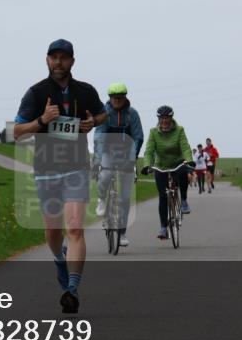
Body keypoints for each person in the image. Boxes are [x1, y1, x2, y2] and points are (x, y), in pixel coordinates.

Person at [14, 39, 106, 314]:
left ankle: (72, 289)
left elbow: (102, 114)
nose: (58, 62)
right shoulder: (36, 92)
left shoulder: (85, 91)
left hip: (77, 167)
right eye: (54, 57)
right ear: (46, 60)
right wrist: (42, 120)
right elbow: (18, 132)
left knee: (75, 228)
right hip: (47, 170)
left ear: (72, 62)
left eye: (64, 58)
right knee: (54, 230)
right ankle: (58, 258)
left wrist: (93, 123)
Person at [92, 82, 143, 248]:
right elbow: (99, 136)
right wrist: (97, 160)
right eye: (114, 98)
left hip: (126, 155)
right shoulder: (105, 113)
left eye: (120, 98)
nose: (116, 101)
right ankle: (101, 199)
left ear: (125, 97)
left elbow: (138, 137)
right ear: (109, 98)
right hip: (108, 153)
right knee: (105, 174)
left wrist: (131, 158)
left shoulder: (132, 114)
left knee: (126, 197)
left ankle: (122, 233)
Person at [141, 106, 193, 240]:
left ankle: (184, 201)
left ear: (171, 118)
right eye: (162, 118)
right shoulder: (153, 132)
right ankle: (163, 228)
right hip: (161, 167)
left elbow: (185, 146)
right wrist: (147, 165)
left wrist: (189, 160)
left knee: (183, 172)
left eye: (167, 118)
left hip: (177, 163)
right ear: (158, 119)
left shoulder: (179, 130)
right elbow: (149, 151)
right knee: (163, 196)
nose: (164, 121)